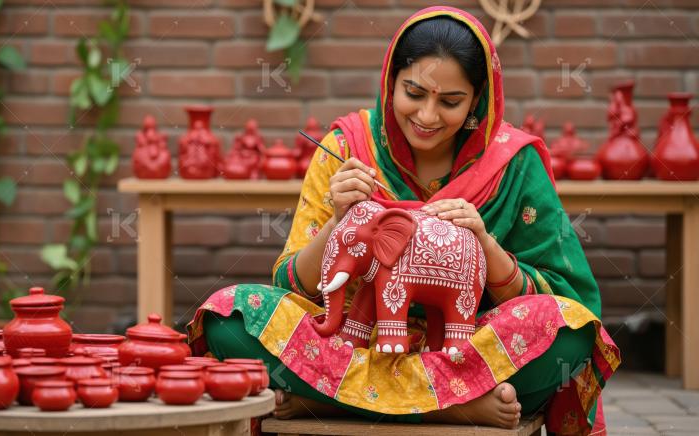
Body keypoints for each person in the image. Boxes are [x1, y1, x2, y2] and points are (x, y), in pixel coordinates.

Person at [188, 6, 619, 435]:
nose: (428, 116)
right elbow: (291, 283)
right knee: (230, 317)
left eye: (450, 102)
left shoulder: (514, 163)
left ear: (476, 101)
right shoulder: (346, 148)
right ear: (390, 82)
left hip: (463, 347)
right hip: (354, 344)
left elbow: (569, 295)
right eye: (414, 93)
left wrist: (486, 246)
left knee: (572, 332)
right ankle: (452, 408)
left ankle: (324, 400)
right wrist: (338, 223)